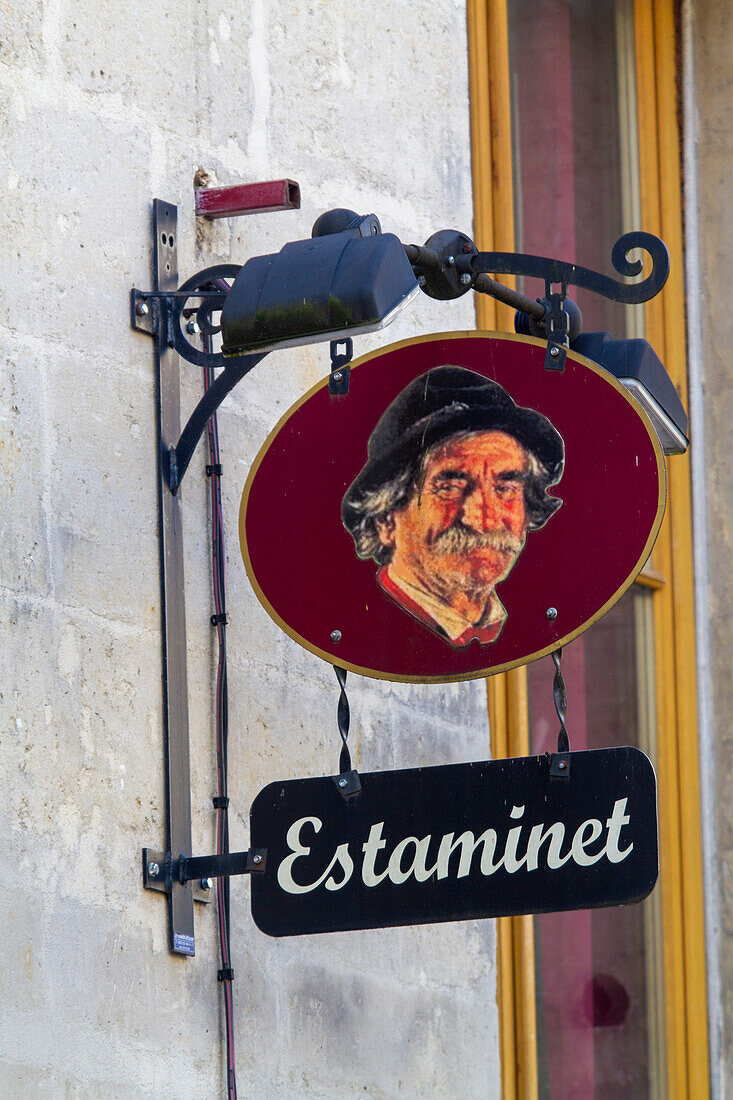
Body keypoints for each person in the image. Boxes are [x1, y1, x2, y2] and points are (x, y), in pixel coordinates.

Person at [342, 366, 564, 647]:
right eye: (450, 488)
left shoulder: (521, 632)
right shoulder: (365, 630)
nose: (484, 519)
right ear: (385, 520)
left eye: (505, 489)